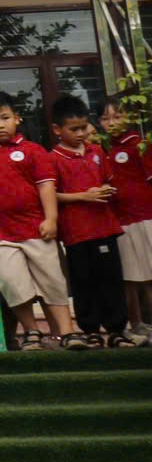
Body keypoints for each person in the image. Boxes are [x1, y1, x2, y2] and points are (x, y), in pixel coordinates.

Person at [0, 92, 71, 349]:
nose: (0, 125)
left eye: (5, 118)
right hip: (0, 234)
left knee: (52, 281)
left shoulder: (33, 150)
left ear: (17, 118)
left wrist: (51, 219)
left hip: (36, 229)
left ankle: (68, 333)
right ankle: (32, 331)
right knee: (12, 284)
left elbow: (46, 187)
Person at [47, 97, 127, 345]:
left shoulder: (96, 151)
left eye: (83, 127)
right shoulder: (52, 158)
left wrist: (105, 190)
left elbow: (108, 181)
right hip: (76, 232)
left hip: (105, 227)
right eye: (74, 129)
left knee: (112, 280)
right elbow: (49, 194)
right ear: (57, 129)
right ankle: (90, 330)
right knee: (83, 282)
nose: (81, 133)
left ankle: (116, 331)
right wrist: (84, 196)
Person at [96, 99, 152, 345]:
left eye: (117, 116)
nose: (111, 123)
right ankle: (136, 324)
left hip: (146, 218)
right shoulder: (104, 151)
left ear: (130, 117)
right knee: (130, 278)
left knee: (149, 276)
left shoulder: (140, 145)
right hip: (120, 223)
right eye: (105, 118)